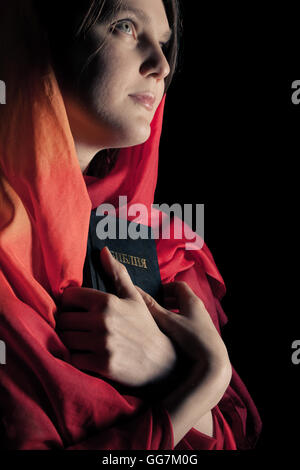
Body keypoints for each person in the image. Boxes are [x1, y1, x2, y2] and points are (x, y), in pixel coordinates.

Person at [0, 0, 262, 450]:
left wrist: (165, 371)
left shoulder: (167, 247)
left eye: (164, 43)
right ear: (43, 41)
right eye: (125, 26)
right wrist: (202, 380)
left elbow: (235, 433)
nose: (161, 65)